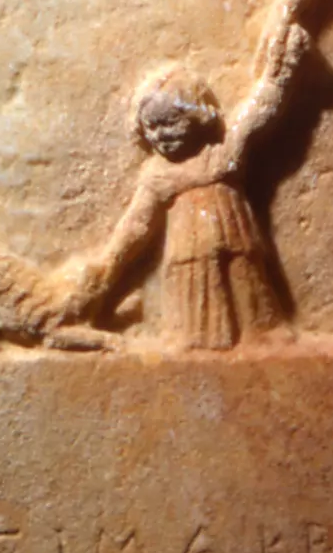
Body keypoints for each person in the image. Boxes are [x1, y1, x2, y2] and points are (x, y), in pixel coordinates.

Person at [67, 21, 311, 350]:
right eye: (151, 127)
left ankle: (257, 335)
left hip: (236, 242)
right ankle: (195, 341)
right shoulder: (158, 175)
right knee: (196, 305)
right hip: (189, 253)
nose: (161, 135)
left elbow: (258, 111)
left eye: (171, 123)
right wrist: (109, 262)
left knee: (246, 288)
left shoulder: (222, 152)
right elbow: (137, 224)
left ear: (198, 116)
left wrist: (281, 71)